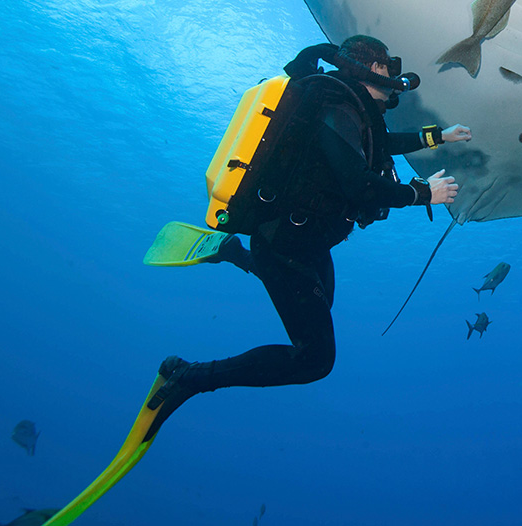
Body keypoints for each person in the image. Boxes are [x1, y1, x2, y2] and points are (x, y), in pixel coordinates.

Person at [144, 35, 472, 439]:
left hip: (304, 243)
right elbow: (360, 186)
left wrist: (440, 135)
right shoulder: (335, 106)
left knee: (321, 305)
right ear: (367, 70)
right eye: (387, 70)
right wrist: (423, 193)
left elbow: (383, 143)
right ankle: (189, 378)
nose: (394, 80)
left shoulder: (354, 114)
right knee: (315, 359)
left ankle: (235, 253)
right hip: (284, 246)